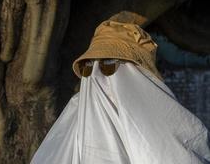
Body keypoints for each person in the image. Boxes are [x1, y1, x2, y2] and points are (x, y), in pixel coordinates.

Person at [30, 20, 210, 164]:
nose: (95, 75)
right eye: (88, 67)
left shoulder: (162, 121)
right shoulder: (70, 121)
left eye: (107, 66)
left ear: (136, 75)